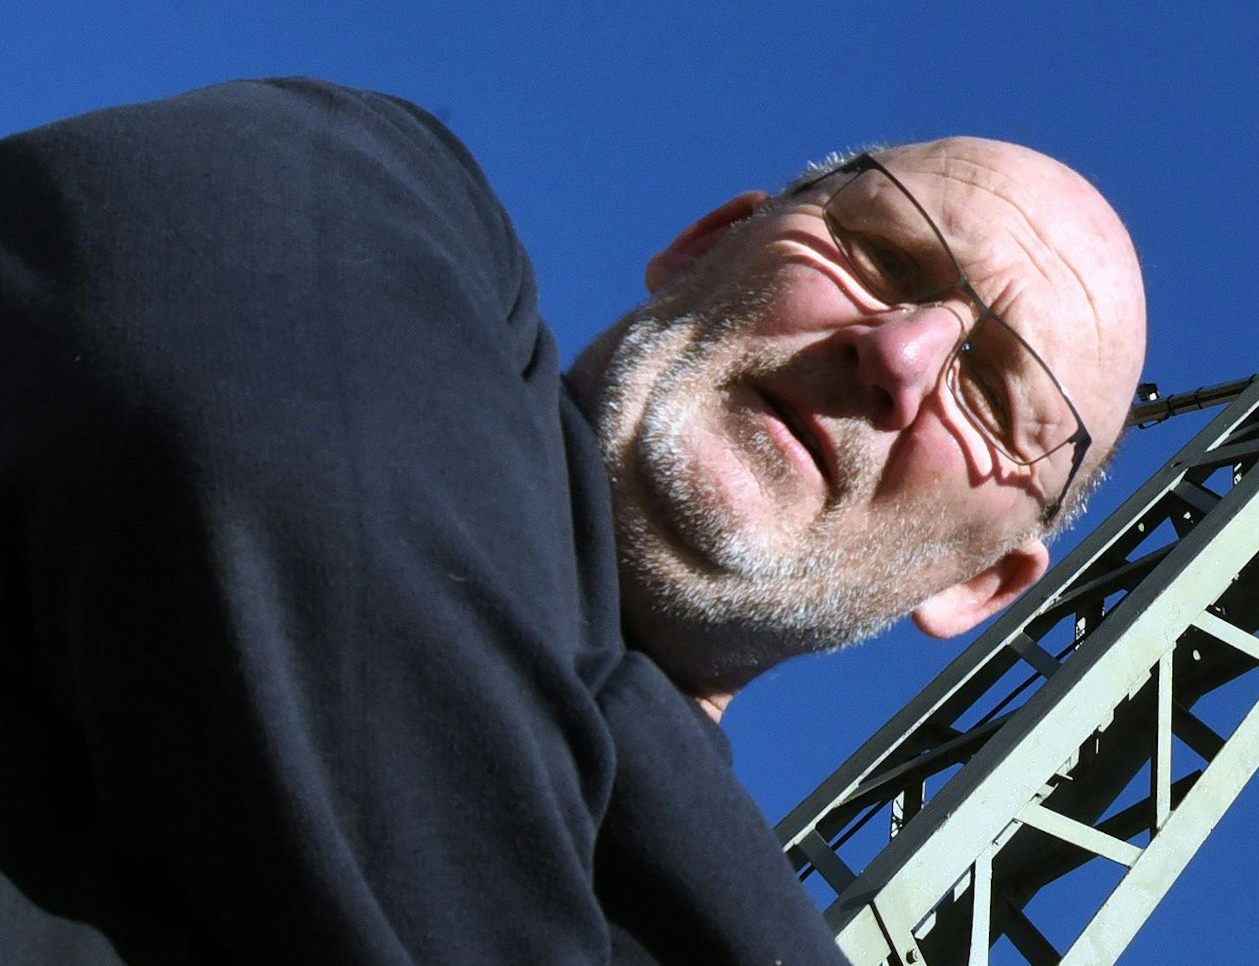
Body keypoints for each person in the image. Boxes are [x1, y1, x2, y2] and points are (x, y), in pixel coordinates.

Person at [0, 78, 1147, 964]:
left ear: (983, 586)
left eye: (993, 395)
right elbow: (236, 427)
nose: (897, 357)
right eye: (881, 257)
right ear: (706, 241)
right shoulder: (367, 185)